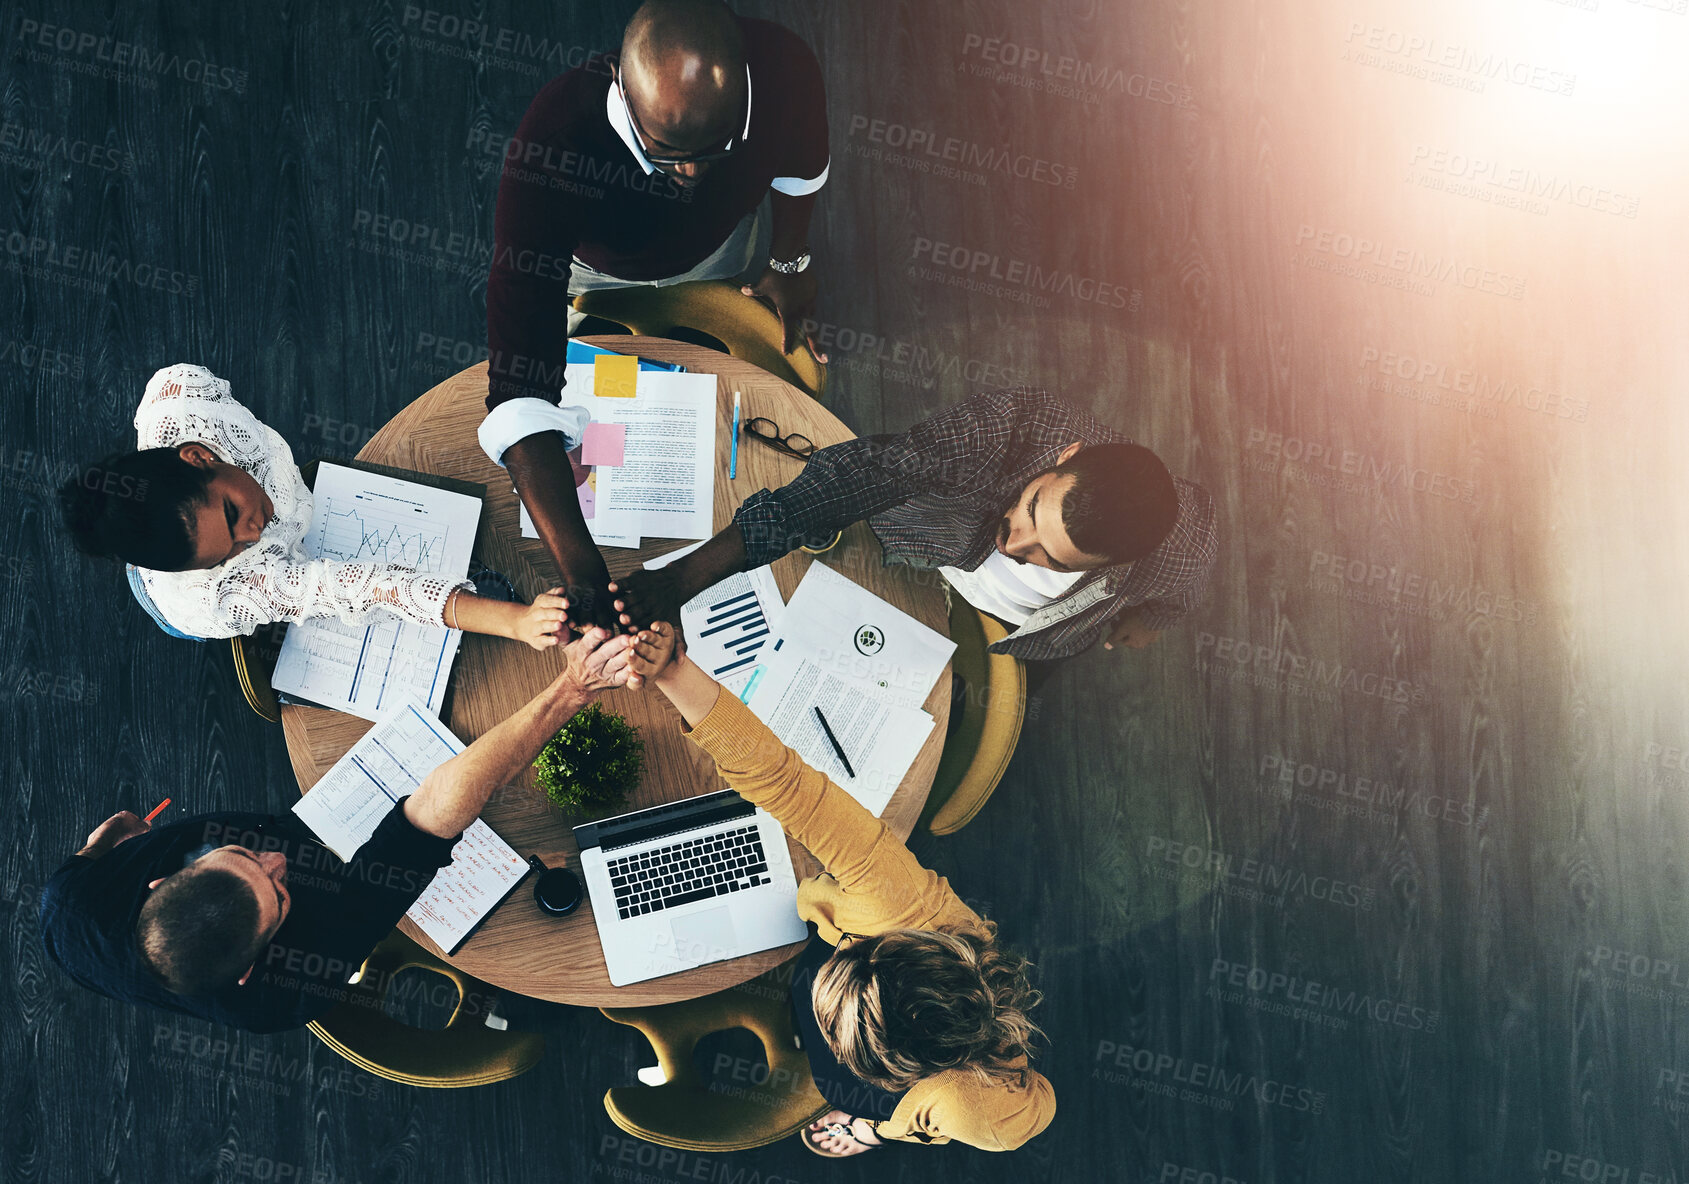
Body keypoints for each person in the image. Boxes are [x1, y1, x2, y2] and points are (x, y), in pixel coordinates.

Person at [38, 627, 633, 1034]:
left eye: (241, 855)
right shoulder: (289, 986)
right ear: (251, 965)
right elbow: (428, 816)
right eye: (279, 891)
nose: (277, 860)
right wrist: (571, 690)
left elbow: (101, 843)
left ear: (159, 880)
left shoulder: (68, 901)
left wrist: (114, 838)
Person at [623, 621, 1055, 1154]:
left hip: (893, 1083)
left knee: (836, 1086)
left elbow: (1004, 1114)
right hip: (885, 1017)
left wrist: (889, 1125)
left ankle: (860, 1123)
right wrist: (673, 671)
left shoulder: (979, 1110)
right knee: (829, 1050)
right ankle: (855, 1106)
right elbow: (782, 779)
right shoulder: (896, 896)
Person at [481, 0, 831, 630]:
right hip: (594, 273)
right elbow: (517, 382)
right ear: (621, 89)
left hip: (721, 251)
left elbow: (801, 172)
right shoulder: (552, 139)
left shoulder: (787, 70)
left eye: (712, 149)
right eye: (665, 152)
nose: (690, 173)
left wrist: (790, 265)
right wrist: (588, 581)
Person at [612, 388, 1219, 667]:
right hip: (917, 552)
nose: (1014, 544)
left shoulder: (1182, 549)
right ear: (1066, 457)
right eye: (1032, 508)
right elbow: (857, 478)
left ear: (1114, 565)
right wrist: (683, 578)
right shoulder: (1002, 427)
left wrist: (1151, 620)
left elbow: (1180, 596)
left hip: (1027, 631)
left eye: (1051, 561)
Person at [60, 363, 569, 646]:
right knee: (176, 612)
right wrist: (515, 622)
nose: (254, 535)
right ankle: (150, 579)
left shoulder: (182, 392)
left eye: (232, 514)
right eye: (227, 552)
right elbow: (370, 588)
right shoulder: (222, 595)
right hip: (183, 607)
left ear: (196, 456)